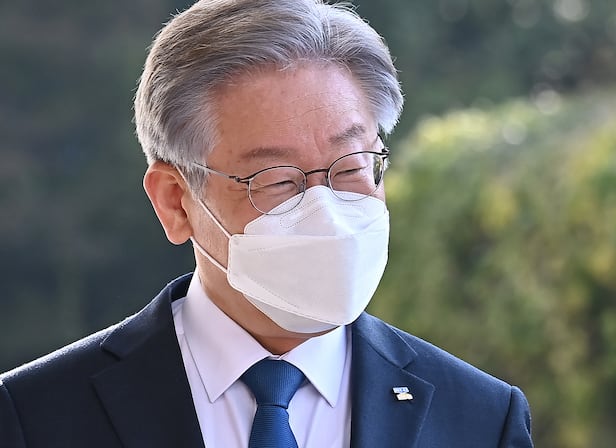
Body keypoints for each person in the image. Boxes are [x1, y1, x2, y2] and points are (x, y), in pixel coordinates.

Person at [0, 1, 533, 447]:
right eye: (276, 181)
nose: (324, 210)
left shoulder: (482, 418)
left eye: (351, 168)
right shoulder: (33, 415)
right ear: (175, 202)